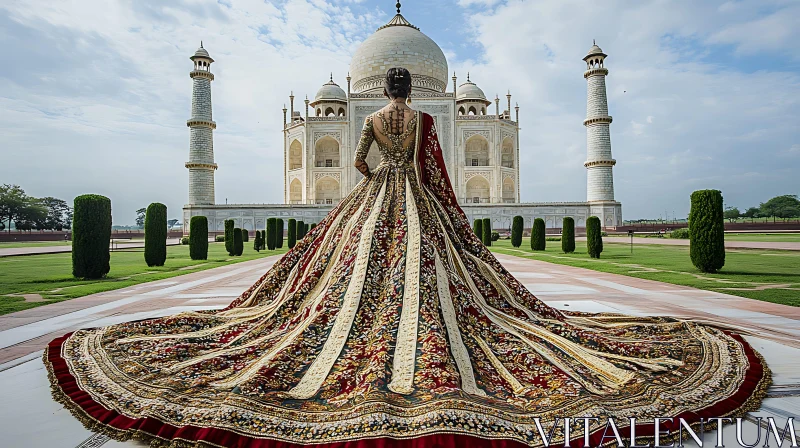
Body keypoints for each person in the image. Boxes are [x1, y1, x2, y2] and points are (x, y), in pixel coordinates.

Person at [46, 68, 768, 448]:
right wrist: (436, 200)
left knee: (339, 276)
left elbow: (359, 160)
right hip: (419, 197)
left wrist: (373, 183)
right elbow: (436, 173)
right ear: (411, 92)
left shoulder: (373, 125)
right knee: (436, 271)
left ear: (378, 94)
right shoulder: (425, 121)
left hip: (374, 195)